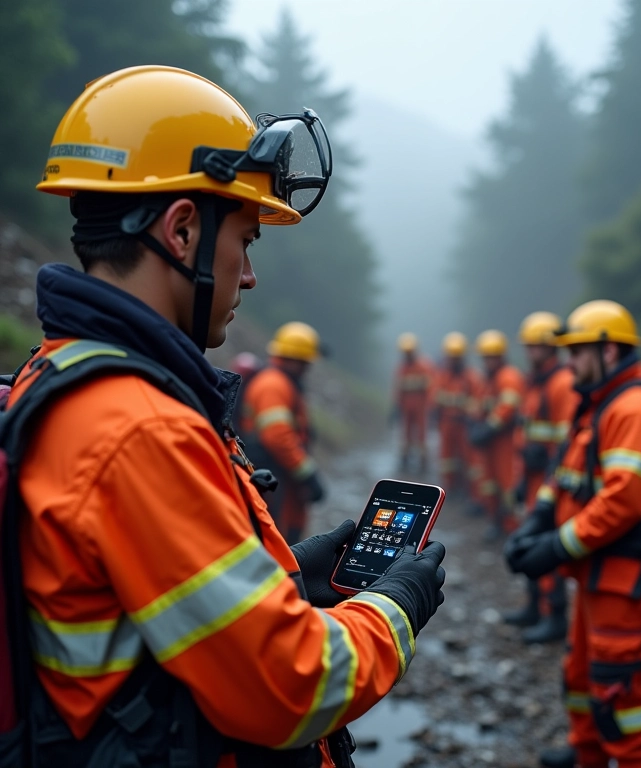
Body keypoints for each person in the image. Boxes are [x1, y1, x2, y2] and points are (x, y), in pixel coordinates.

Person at [7, 65, 446, 768]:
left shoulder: (59, 377)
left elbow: (144, 607)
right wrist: (397, 606)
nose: (249, 276)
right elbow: (292, 687)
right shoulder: (138, 427)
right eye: (246, 238)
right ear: (181, 231)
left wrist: (281, 576)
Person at [506, 300, 641, 768]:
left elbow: (624, 501)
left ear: (611, 350)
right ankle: (589, 754)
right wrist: (537, 521)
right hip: (595, 573)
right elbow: (567, 475)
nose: (570, 361)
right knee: (581, 672)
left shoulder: (636, 410)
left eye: (579, 351)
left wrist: (555, 545)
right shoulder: (598, 406)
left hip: (624, 576)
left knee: (623, 690)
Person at [505, 312, 578, 645]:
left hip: (553, 479)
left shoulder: (561, 383)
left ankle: (555, 615)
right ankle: (535, 605)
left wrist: (548, 464)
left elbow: (569, 439)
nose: (531, 352)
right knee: (531, 538)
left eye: (537, 347)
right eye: (529, 347)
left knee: (547, 542)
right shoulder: (535, 383)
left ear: (552, 348)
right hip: (535, 475)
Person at [241, 321, 325, 545]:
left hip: (280, 472)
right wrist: (307, 473)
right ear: (295, 360)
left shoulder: (281, 382)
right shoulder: (274, 385)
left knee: (288, 533)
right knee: (276, 534)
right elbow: (277, 436)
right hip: (272, 472)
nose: (308, 368)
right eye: (306, 363)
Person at [469, 329, 525, 541]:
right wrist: (474, 422)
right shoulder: (488, 380)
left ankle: (512, 527)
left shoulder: (508, 376)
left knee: (507, 483)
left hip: (506, 440)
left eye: (492, 357)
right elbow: (480, 404)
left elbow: (508, 406)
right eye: (485, 357)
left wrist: (489, 427)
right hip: (491, 440)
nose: (488, 361)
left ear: (501, 356)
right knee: (489, 483)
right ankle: (496, 521)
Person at [430, 332, 482, 495]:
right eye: (451, 357)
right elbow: (435, 396)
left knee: (469, 459)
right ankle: (449, 487)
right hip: (447, 423)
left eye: (457, 357)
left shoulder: (471, 376)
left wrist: (457, 404)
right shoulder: (442, 375)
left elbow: (477, 402)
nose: (454, 360)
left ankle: (469, 491)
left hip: (464, 424)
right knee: (447, 458)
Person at [392, 332, 432, 472]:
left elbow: (431, 388)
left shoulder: (424, 366)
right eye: (405, 353)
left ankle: (423, 462)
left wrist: (431, 406)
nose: (407, 355)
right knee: (406, 434)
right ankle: (405, 459)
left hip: (420, 407)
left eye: (409, 352)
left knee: (421, 434)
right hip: (406, 407)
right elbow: (398, 388)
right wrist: (396, 406)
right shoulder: (402, 368)